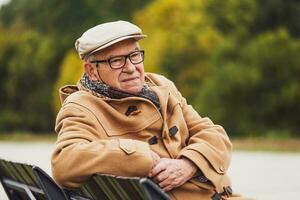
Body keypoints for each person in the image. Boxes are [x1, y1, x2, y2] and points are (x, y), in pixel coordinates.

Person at [51, 20, 247, 200]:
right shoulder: (81, 107)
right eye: (116, 61)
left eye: (135, 56)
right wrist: (141, 156)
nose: (131, 68)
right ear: (92, 71)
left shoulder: (161, 85)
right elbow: (64, 163)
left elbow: (213, 135)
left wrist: (189, 164)